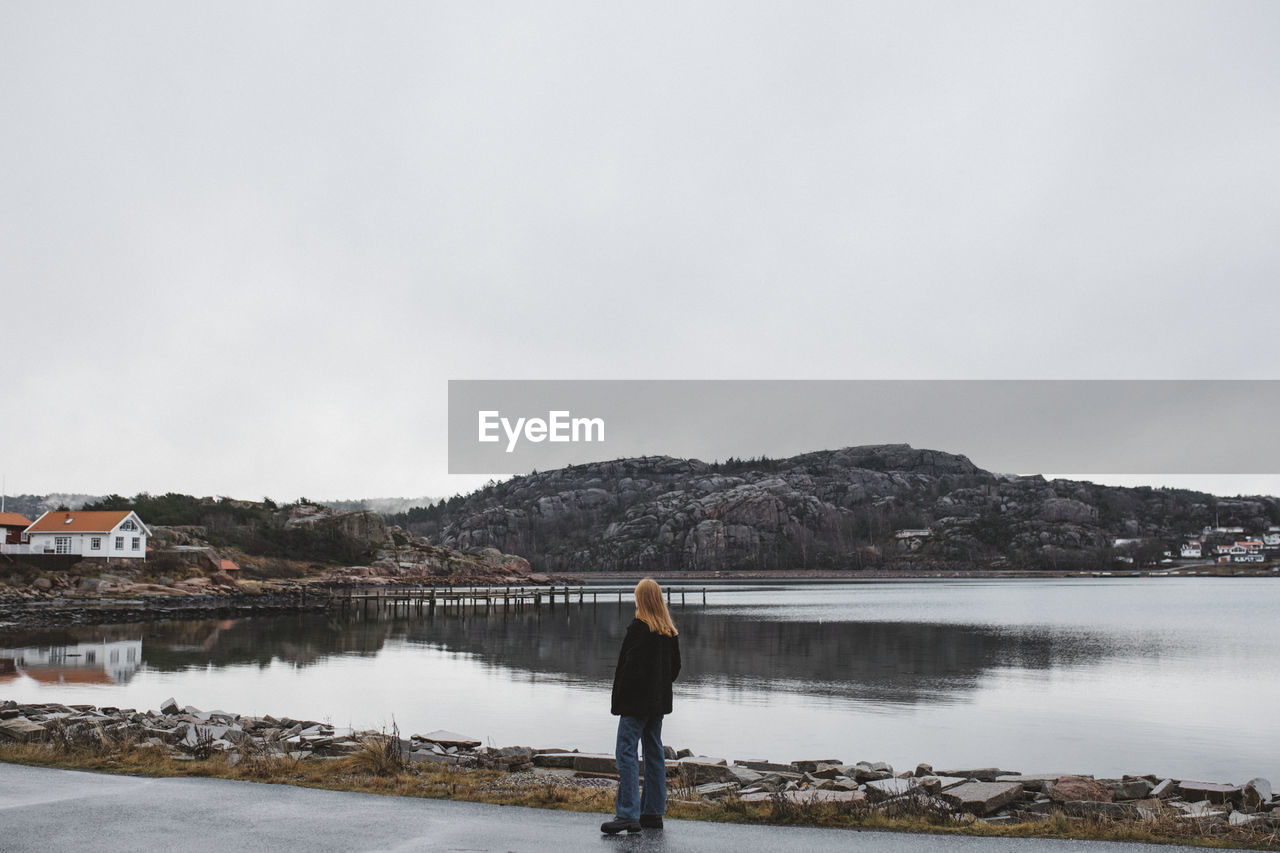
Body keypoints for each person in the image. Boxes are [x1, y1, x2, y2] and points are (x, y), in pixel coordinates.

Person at [600, 578, 681, 835]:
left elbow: (630, 668)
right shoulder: (669, 631)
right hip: (657, 704)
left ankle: (627, 814)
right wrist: (658, 687)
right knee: (654, 752)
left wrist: (623, 698)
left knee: (626, 751)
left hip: (636, 704)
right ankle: (652, 812)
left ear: (642, 599)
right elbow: (675, 669)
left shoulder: (639, 628)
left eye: (637, 596)